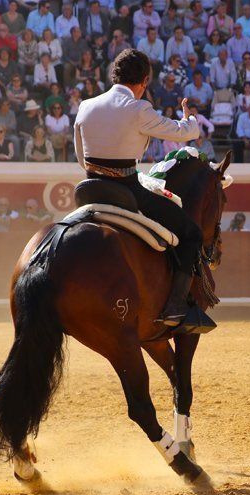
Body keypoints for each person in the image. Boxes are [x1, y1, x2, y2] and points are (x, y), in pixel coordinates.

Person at [73, 49, 200, 326]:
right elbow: (185, 133)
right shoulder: (138, 108)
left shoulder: (86, 105)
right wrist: (189, 118)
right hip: (127, 189)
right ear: (143, 81)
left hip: (88, 188)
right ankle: (176, 306)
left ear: (114, 75)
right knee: (191, 234)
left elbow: (80, 157)